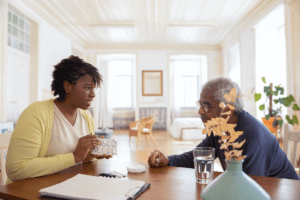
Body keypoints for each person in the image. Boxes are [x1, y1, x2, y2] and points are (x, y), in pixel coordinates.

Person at [148, 77, 300, 180]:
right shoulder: (220, 128)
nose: (200, 111)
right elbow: (200, 155)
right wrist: (168, 160)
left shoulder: (253, 139)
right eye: (200, 104)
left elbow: (248, 188)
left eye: (207, 106)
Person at [6, 55, 111, 184]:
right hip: (29, 191)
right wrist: (75, 156)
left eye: (94, 88)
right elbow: (16, 169)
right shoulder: (36, 113)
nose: (93, 94)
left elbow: (79, 160)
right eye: (87, 87)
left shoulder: (86, 116)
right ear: (67, 87)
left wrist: (91, 154)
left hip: (66, 186)